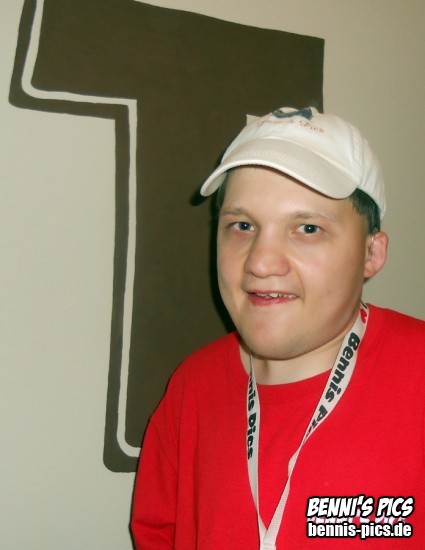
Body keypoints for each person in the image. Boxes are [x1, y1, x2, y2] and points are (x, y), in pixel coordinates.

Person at [130, 107, 425, 549]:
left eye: (307, 228)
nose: (261, 262)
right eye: (242, 225)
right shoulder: (191, 388)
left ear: (371, 254)